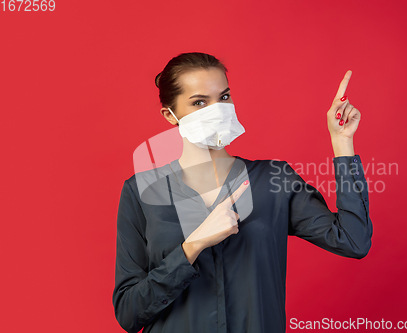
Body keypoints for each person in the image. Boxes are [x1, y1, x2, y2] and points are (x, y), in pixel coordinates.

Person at [112, 52, 373, 333]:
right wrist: (193, 246)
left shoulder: (273, 179)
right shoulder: (142, 191)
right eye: (199, 102)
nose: (217, 109)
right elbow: (129, 313)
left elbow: (353, 241)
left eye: (223, 98)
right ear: (170, 115)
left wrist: (342, 143)